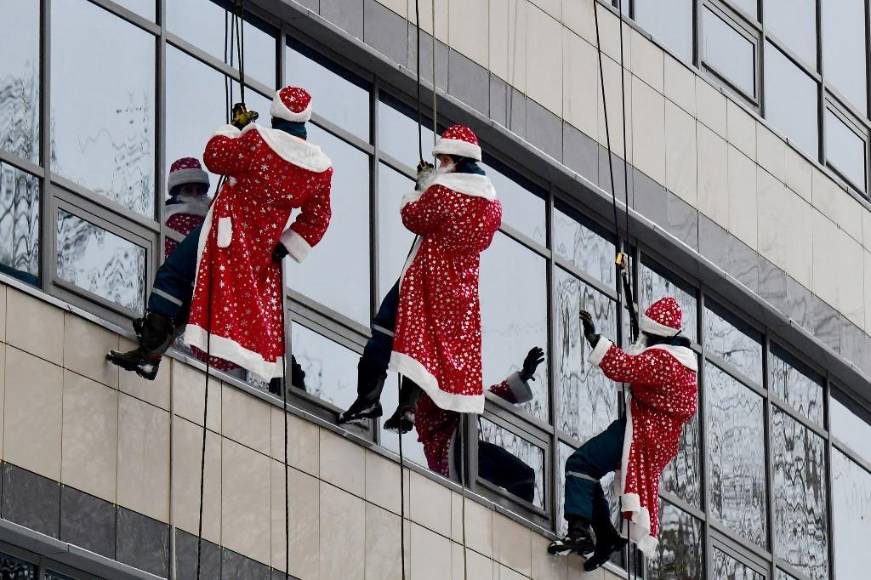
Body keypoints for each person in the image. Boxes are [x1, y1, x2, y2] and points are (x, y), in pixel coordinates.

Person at [108, 86, 332, 383]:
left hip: (225, 233)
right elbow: (319, 218)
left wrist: (235, 128)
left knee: (172, 275)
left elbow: (215, 157)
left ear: (275, 115)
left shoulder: (258, 143)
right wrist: (284, 245)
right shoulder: (318, 169)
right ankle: (152, 352)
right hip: (260, 252)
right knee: (198, 296)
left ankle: (150, 345)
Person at [338, 124, 502, 428]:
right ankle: (407, 407)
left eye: (444, 161)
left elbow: (414, 218)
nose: (440, 166)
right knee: (424, 343)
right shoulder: (492, 206)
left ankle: (369, 398)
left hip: (427, 277)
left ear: (456, 160)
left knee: (386, 326)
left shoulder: (444, 193)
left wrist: (422, 187)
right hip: (459, 290)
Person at [548, 297, 698, 572]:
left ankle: (580, 532)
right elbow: (637, 369)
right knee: (587, 468)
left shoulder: (663, 360)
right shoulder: (680, 362)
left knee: (580, 463)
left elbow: (626, 368)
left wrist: (596, 341)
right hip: (650, 434)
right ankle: (605, 535)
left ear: (656, 333)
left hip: (640, 431)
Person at [416, 347, 545, 503]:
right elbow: (470, 400)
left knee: (524, 475)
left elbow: (482, 399)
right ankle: (498, 510)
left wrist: (523, 376)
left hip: (464, 452)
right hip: (454, 457)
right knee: (513, 475)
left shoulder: (446, 391)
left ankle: (517, 516)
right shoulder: (427, 399)